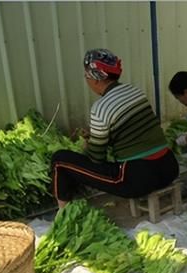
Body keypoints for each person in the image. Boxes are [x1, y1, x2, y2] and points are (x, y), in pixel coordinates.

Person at [51, 49, 179, 209]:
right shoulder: (136, 92)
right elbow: (132, 133)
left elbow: (97, 159)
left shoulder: (100, 108)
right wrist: (97, 136)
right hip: (169, 168)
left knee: (59, 160)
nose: (87, 81)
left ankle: (63, 215)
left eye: (86, 76)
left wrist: (88, 145)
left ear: (95, 78)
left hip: (138, 180)